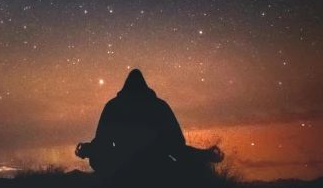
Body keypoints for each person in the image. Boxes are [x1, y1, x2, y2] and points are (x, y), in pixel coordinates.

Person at [75, 69, 222, 184]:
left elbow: (102, 143)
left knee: (98, 159)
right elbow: (176, 148)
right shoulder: (159, 106)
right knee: (193, 169)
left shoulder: (113, 106)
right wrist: (206, 155)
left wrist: (87, 149)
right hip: (158, 171)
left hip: (122, 171)